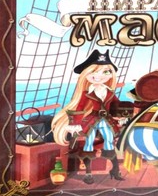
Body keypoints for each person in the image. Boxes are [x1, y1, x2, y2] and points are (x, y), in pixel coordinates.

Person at [51, 49, 126, 183]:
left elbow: (117, 104)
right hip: (92, 120)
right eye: (94, 72)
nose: (99, 76)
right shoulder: (87, 93)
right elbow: (80, 107)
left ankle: (115, 169)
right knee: (88, 143)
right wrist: (75, 124)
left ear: (111, 74)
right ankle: (88, 173)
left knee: (110, 141)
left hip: (106, 120)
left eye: (105, 72)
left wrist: (121, 114)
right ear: (86, 75)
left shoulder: (109, 92)